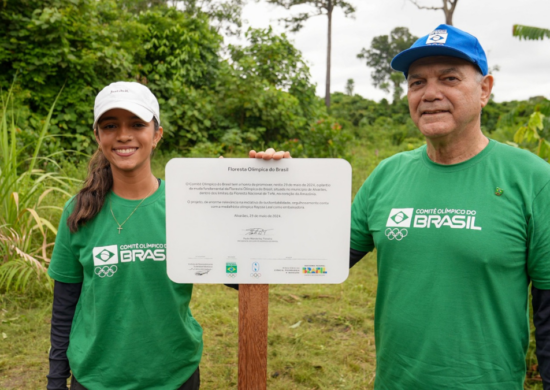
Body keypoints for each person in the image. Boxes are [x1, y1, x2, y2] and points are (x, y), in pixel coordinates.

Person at [255, 24, 550, 389]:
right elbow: (313, 259)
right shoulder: (388, 174)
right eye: (416, 83)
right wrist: (267, 195)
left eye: (449, 78)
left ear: (485, 89)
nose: (430, 94)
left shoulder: (533, 180)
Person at [47, 82, 204, 390]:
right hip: (96, 378)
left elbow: (239, 275)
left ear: (157, 134)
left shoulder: (187, 205)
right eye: (110, 125)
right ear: (98, 136)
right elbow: (64, 305)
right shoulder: (78, 211)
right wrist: (55, 379)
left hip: (175, 375)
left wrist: (267, 181)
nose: (123, 135)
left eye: (136, 124)